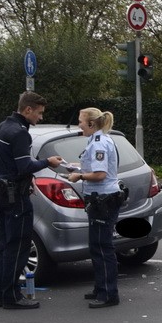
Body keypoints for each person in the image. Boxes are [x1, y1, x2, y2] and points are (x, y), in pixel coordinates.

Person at [0, 91, 62, 310]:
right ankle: (12, 296)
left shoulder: (1, 128)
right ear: (28, 109)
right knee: (19, 246)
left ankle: (2, 294)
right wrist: (47, 162)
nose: (40, 118)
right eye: (39, 113)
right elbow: (25, 165)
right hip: (15, 197)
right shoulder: (20, 133)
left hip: (1, 193)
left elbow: (8, 165)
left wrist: (27, 178)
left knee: (5, 246)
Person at [66, 108, 125, 309]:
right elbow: (94, 167)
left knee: (102, 246)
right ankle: (101, 287)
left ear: (91, 124)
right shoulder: (94, 140)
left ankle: (109, 294)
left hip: (103, 200)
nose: (79, 125)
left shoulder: (100, 143)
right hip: (99, 199)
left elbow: (99, 175)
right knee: (96, 245)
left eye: (81, 121)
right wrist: (75, 167)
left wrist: (79, 176)